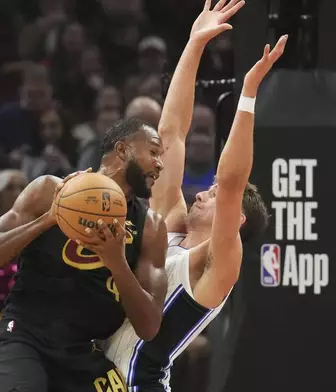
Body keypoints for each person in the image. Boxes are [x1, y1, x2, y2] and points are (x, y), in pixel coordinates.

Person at [103, 1, 286, 390]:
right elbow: (171, 135)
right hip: (98, 377)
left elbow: (234, 179)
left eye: (214, 194)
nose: (204, 192)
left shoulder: (219, 266)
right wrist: (195, 43)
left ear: (236, 219)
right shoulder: (169, 225)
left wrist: (248, 95)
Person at [0, 120, 169, 389]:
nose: (160, 164)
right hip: (24, 337)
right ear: (122, 150)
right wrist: (49, 219)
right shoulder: (49, 190)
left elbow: (150, 327)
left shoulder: (151, 226)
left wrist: (117, 263)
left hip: (83, 353)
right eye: (154, 152)